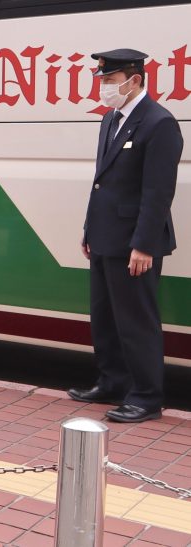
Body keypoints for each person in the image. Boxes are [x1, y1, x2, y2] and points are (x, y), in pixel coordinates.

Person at [68, 49, 183, 423]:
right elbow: (101, 182)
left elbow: (158, 191)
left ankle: (147, 397)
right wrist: (88, 228)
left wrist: (145, 244)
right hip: (104, 235)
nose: (103, 88)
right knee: (104, 318)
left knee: (136, 321)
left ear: (134, 80)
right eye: (102, 80)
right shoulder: (110, 118)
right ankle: (112, 382)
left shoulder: (159, 123)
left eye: (109, 80)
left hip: (135, 241)